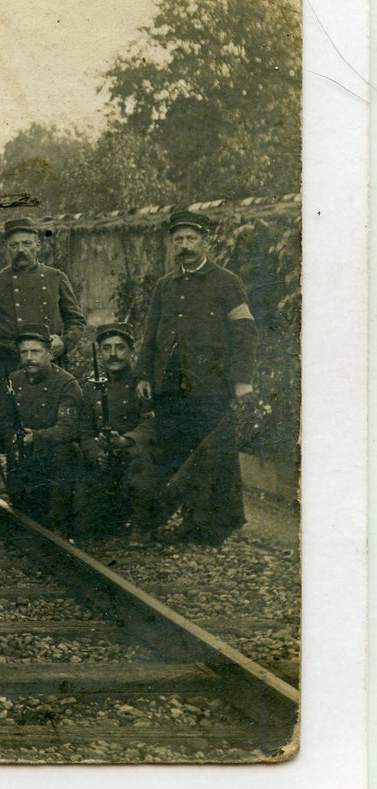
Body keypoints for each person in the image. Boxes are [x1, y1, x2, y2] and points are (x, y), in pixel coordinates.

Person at [137, 209, 257, 546]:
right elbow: (150, 334)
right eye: (179, 240)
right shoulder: (165, 285)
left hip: (210, 386)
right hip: (170, 387)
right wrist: (144, 374)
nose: (185, 245)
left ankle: (213, 528)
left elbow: (244, 333)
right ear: (173, 244)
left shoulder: (227, 282)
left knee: (213, 456)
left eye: (191, 239)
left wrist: (241, 379)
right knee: (177, 453)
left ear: (205, 242)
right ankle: (186, 522)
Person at [0, 216, 85, 409]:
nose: (21, 250)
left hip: (50, 365)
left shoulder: (55, 277)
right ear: (6, 247)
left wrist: (64, 342)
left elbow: (76, 320)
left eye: (27, 244)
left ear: (38, 245)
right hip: (9, 365)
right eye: (14, 245)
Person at [0, 325, 84, 534]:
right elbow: (4, 419)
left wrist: (36, 437)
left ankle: (59, 523)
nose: (29, 358)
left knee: (67, 451)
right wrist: (12, 444)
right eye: (24, 352)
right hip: (23, 456)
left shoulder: (67, 383)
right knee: (25, 514)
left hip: (53, 456)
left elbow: (68, 428)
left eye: (35, 352)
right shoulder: (14, 380)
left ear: (50, 353)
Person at [80, 322, 160, 545]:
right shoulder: (90, 386)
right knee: (85, 528)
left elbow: (152, 425)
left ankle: (141, 526)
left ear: (132, 351)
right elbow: (84, 431)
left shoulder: (142, 385)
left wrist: (124, 441)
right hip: (103, 461)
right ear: (99, 352)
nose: (113, 354)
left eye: (120, 347)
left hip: (133, 458)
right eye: (107, 348)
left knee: (142, 462)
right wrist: (97, 451)